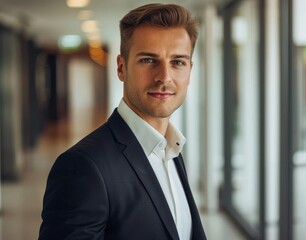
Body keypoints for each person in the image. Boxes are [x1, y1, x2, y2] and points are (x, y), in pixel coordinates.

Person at [39, 3, 207, 240]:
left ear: (190, 70)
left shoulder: (172, 150)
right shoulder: (83, 167)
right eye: (148, 60)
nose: (164, 77)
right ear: (121, 67)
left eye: (178, 62)